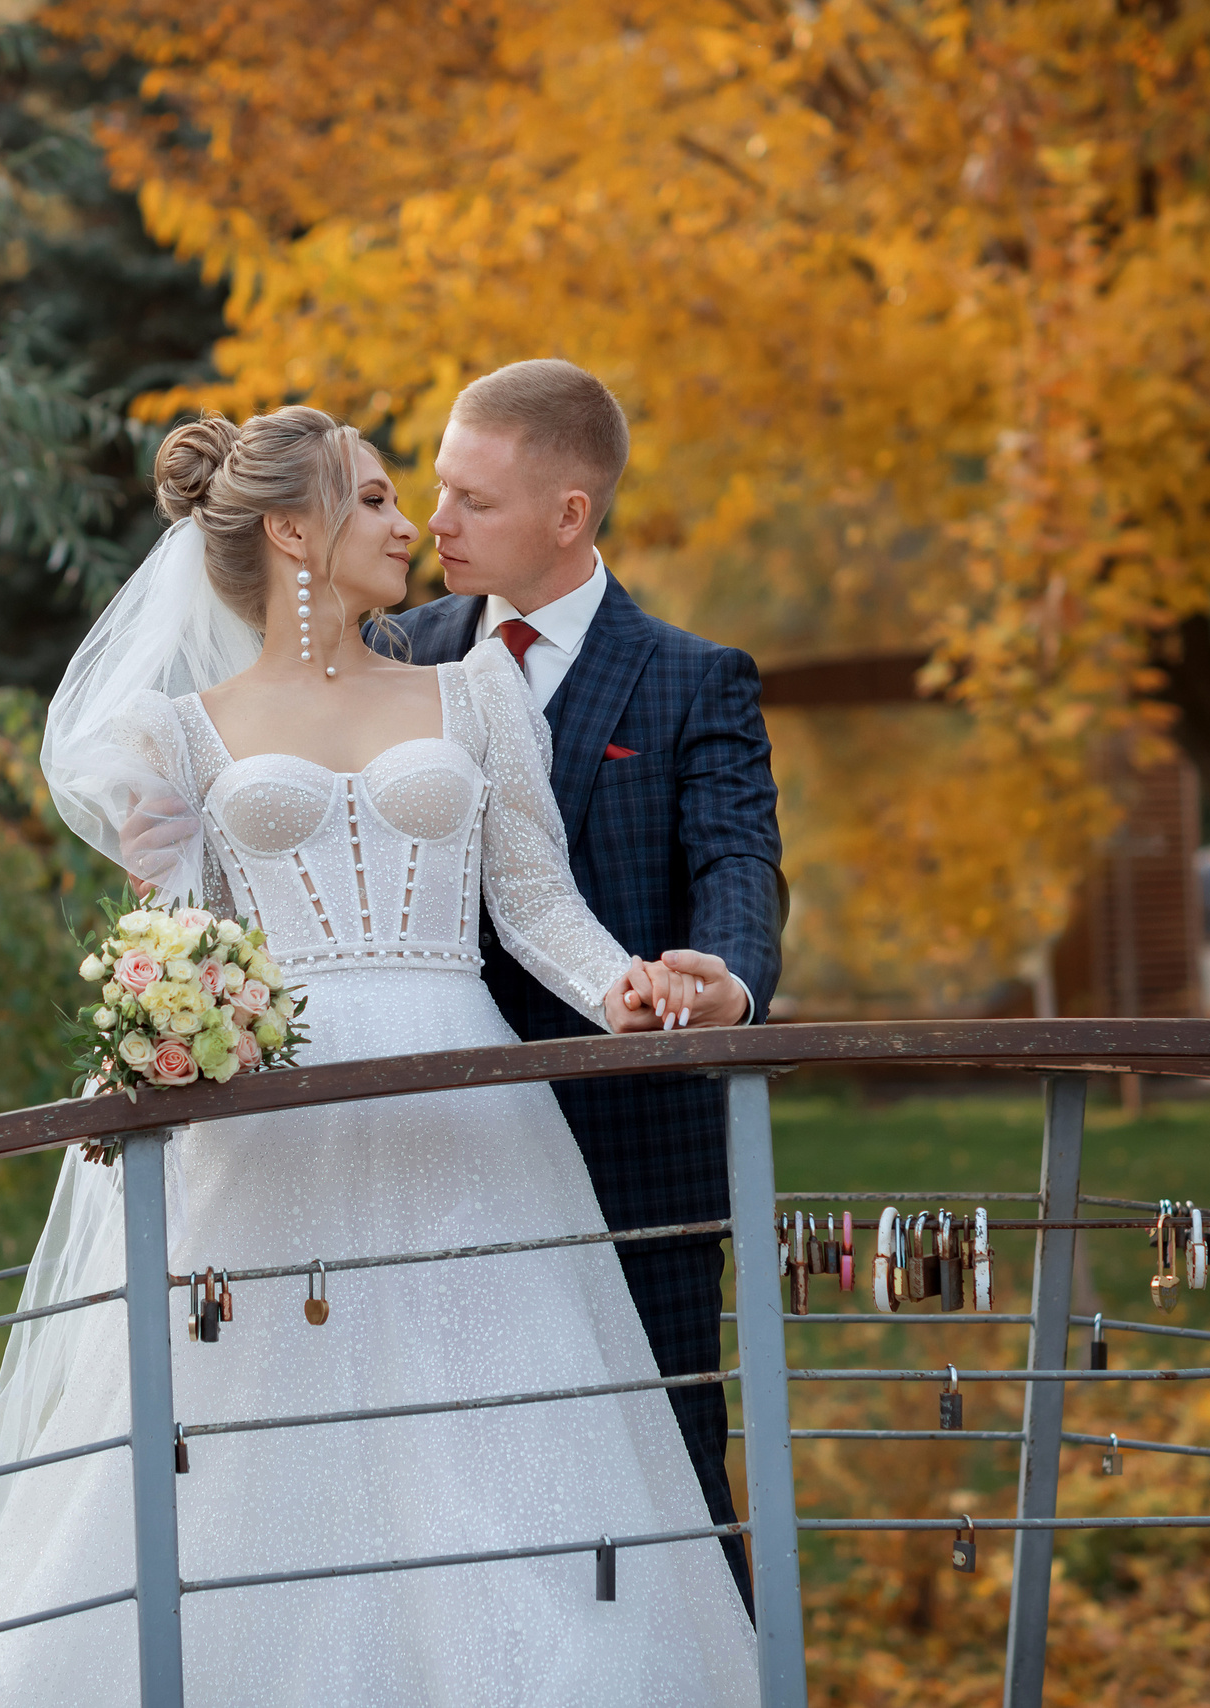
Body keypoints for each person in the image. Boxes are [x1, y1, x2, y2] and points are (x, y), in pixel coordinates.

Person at [0, 404, 760, 1704]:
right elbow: (177, 941)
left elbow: (535, 905)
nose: (408, 521)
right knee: (259, 1455)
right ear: (297, 532)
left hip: (470, 1111)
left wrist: (629, 991)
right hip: (273, 1134)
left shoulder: (472, 693)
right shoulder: (175, 739)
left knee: (494, 1445)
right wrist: (150, 1039)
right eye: (373, 500)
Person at [386, 359, 786, 1612]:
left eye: (472, 500)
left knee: (666, 1475)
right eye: (436, 489)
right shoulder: (389, 659)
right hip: (430, 1141)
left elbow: (739, 861)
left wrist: (724, 978)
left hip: (634, 1147)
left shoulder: (690, 677)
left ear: (569, 513)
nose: (434, 522)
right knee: (444, 1478)